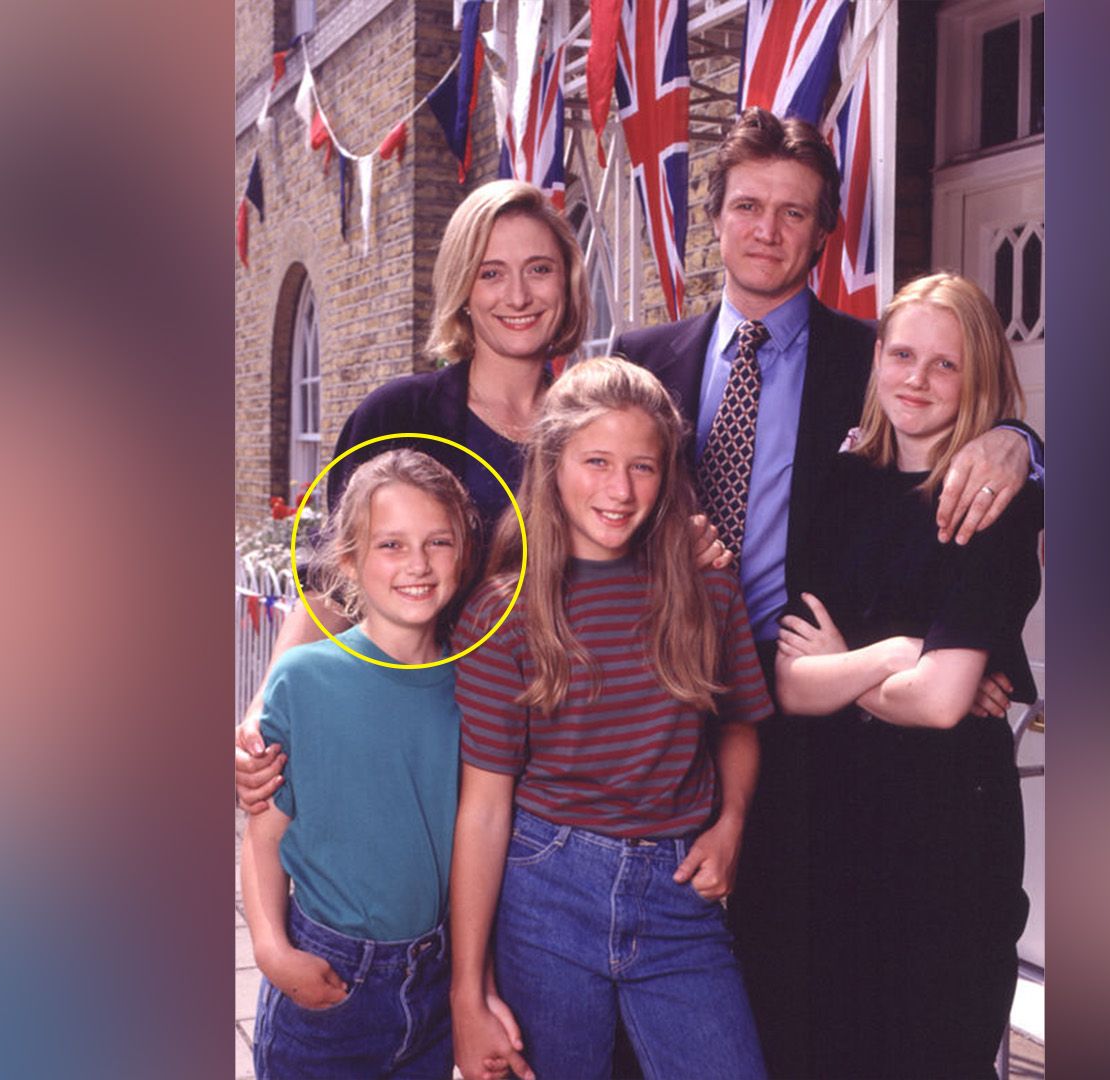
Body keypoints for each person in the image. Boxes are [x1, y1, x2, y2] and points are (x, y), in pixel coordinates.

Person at [610, 106, 1043, 1074]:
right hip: (653, 719)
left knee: (797, 997)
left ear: (823, 232)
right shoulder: (639, 363)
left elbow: (958, 438)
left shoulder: (872, 364)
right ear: (714, 217)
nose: (768, 230)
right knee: (636, 1004)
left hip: (812, 744)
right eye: (749, 206)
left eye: (794, 212)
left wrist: (1023, 445)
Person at [447, 358, 771, 1080]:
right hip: (545, 892)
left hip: (679, 895)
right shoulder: (503, 613)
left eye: (643, 467)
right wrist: (468, 991)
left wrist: (732, 824)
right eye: (596, 461)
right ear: (553, 462)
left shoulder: (706, 586)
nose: (620, 491)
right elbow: (485, 809)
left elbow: (741, 723)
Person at [236, 179, 593, 807]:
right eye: (490, 273)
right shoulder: (399, 416)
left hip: (563, 763)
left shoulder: (596, 429)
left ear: (566, 283)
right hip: (415, 749)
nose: (518, 295)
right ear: (462, 289)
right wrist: (262, 713)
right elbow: (335, 587)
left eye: (539, 269)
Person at [774, 273, 1042, 1079]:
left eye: (944, 365)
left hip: (948, 844)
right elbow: (792, 684)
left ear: (979, 377)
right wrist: (896, 656)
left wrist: (845, 670)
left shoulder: (995, 501)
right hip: (840, 829)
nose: (916, 380)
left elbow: (940, 702)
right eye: (901, 354)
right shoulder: (838, 488)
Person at [239, 449, 530, 1080]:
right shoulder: (303, 679)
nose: (418, 565)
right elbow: (263, 838)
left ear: (465, 553)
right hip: (327, 982)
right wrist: (270, 949)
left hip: (432, 980)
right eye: (391, 545)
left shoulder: (473, 682)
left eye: (438, 542)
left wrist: (470, 984)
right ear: (348, 559)